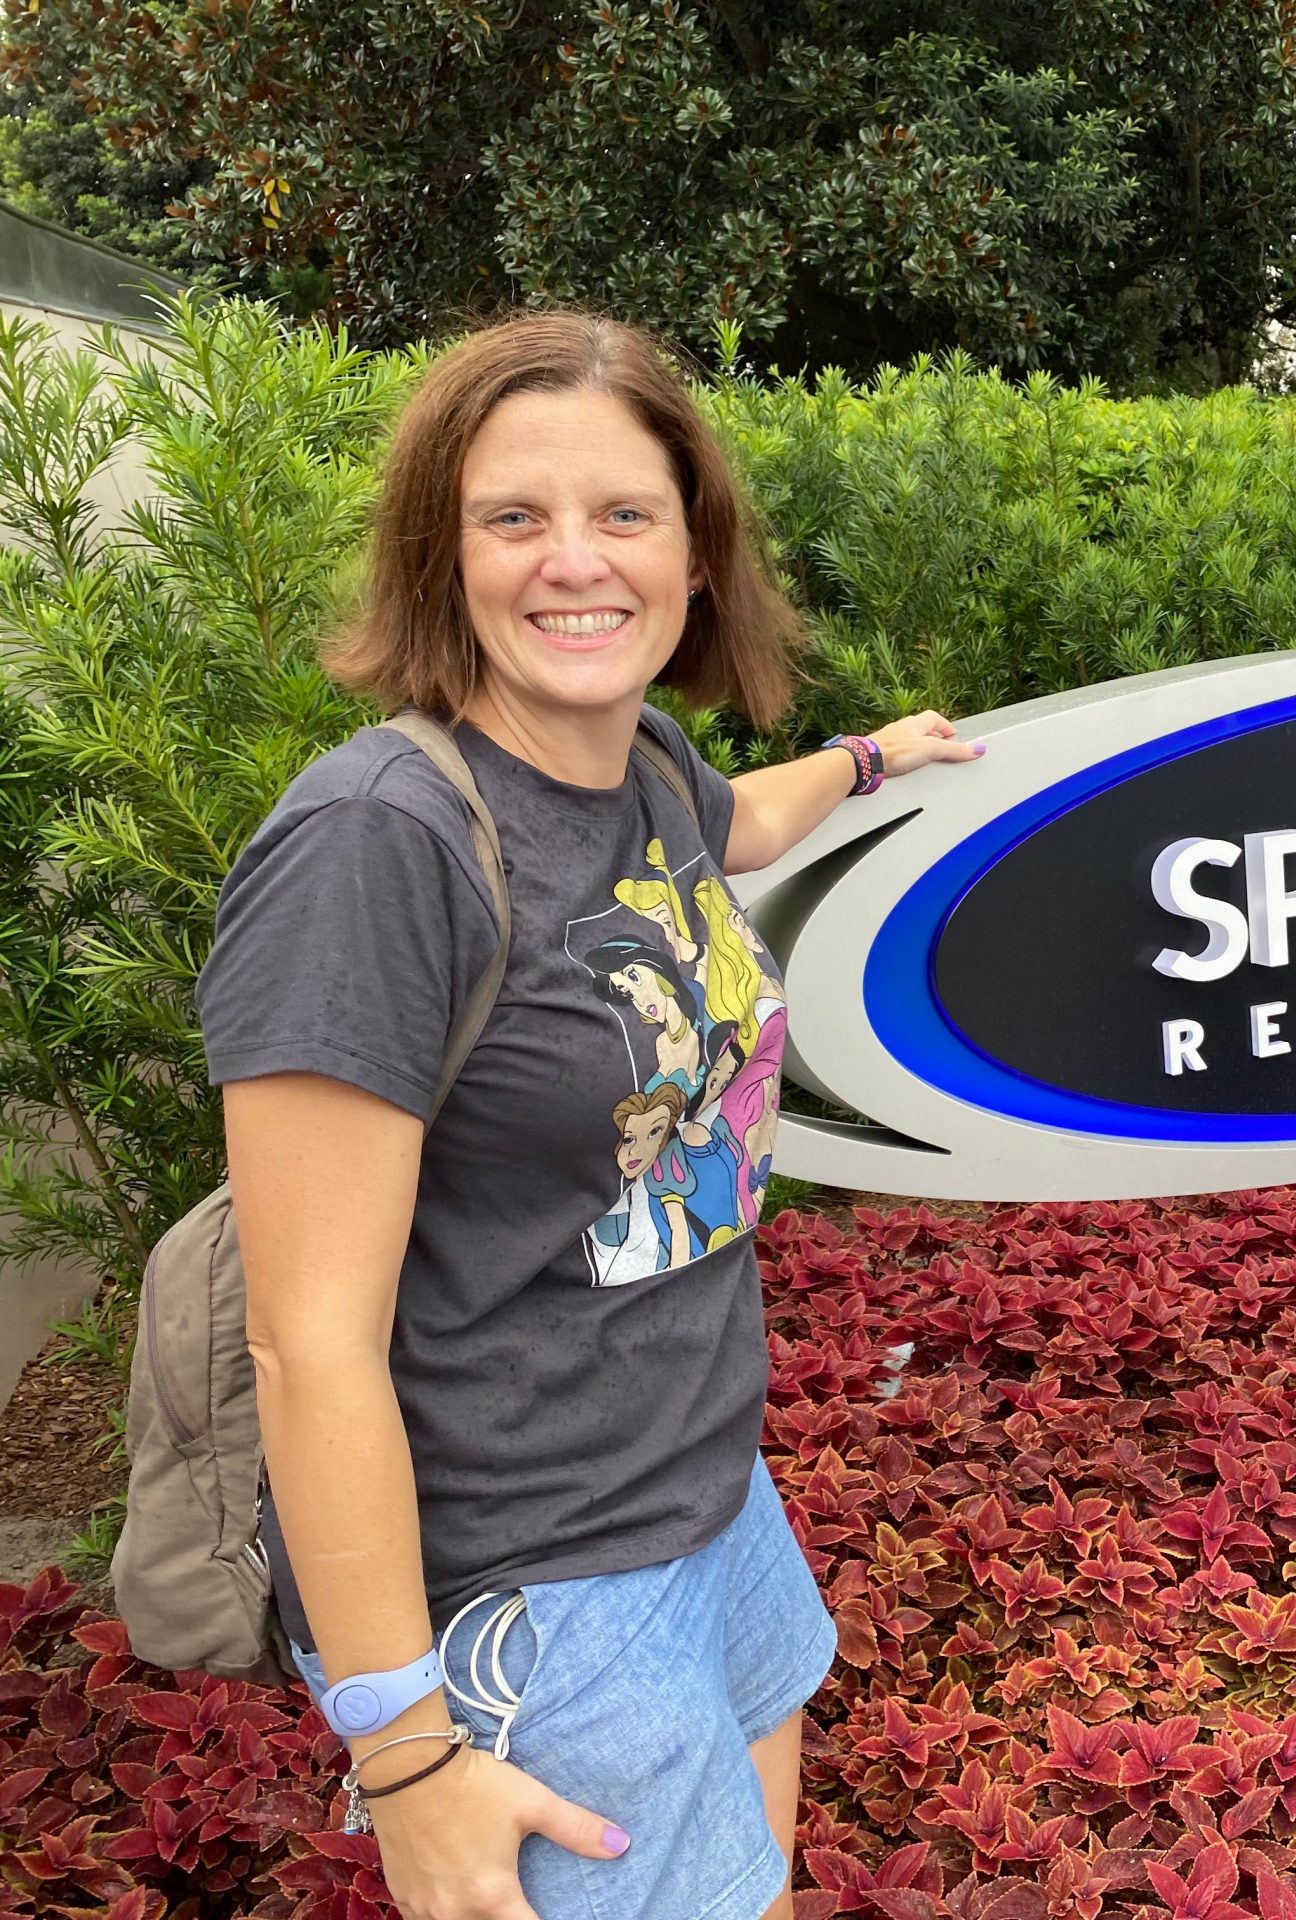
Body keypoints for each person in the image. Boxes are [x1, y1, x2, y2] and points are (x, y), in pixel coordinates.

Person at [196, 310, 982, 1920]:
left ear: (696, 555)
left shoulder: (642, 770)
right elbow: (307, 1347)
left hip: (704, 1484)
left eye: (626, 514)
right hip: (532, 1577)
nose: (578, 562)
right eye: (514, 518)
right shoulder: (377, 850)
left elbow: (737, 823)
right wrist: (403, 1752)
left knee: (759, 1871)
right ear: (442, 556)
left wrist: (866, 756)